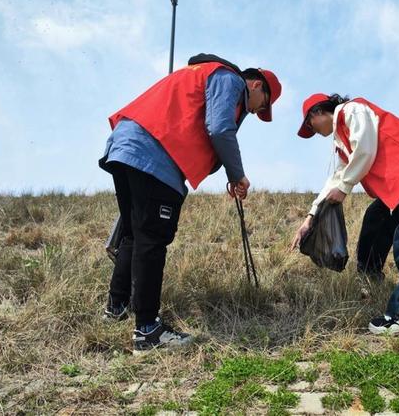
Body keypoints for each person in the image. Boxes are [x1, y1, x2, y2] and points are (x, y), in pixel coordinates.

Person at [99, 54, 281, 352]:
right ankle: (147, 330)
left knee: (133, 233)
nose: (253, 110)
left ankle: (115, 308)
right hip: (155, 153)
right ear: (257, 85)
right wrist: (238, 175)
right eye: (260, 105)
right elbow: (220, 128)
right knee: (152, 239)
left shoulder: (201, 73)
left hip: (126, 144)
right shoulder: (229, 79)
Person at [291, 93, 399, 334]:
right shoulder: (342, 140)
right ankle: (369, 278)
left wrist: (345, 188)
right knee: (376, 220)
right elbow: (336, 178)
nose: (312, 131)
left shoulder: (352, 110)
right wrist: (310, 217)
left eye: (309, 125)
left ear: (316, 113)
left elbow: (365, 148)